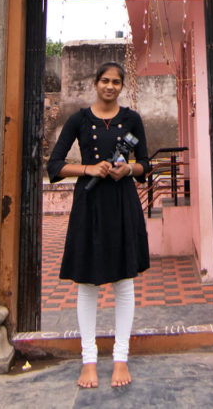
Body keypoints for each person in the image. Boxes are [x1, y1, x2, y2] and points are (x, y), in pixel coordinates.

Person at [47, 61, 151, 389]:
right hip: (89, 206)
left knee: (124, 282)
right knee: (87, 284)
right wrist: (89, 170)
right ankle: (88, 361)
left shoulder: (132, 120)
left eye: (116, 82)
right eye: (105, 80)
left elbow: (144, 163)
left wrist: (128, 170)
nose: (110, 86)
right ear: (96, 83)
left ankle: (121, 358)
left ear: (121, 86)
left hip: (122, 204)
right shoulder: (79, 120)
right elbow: (55, 164)